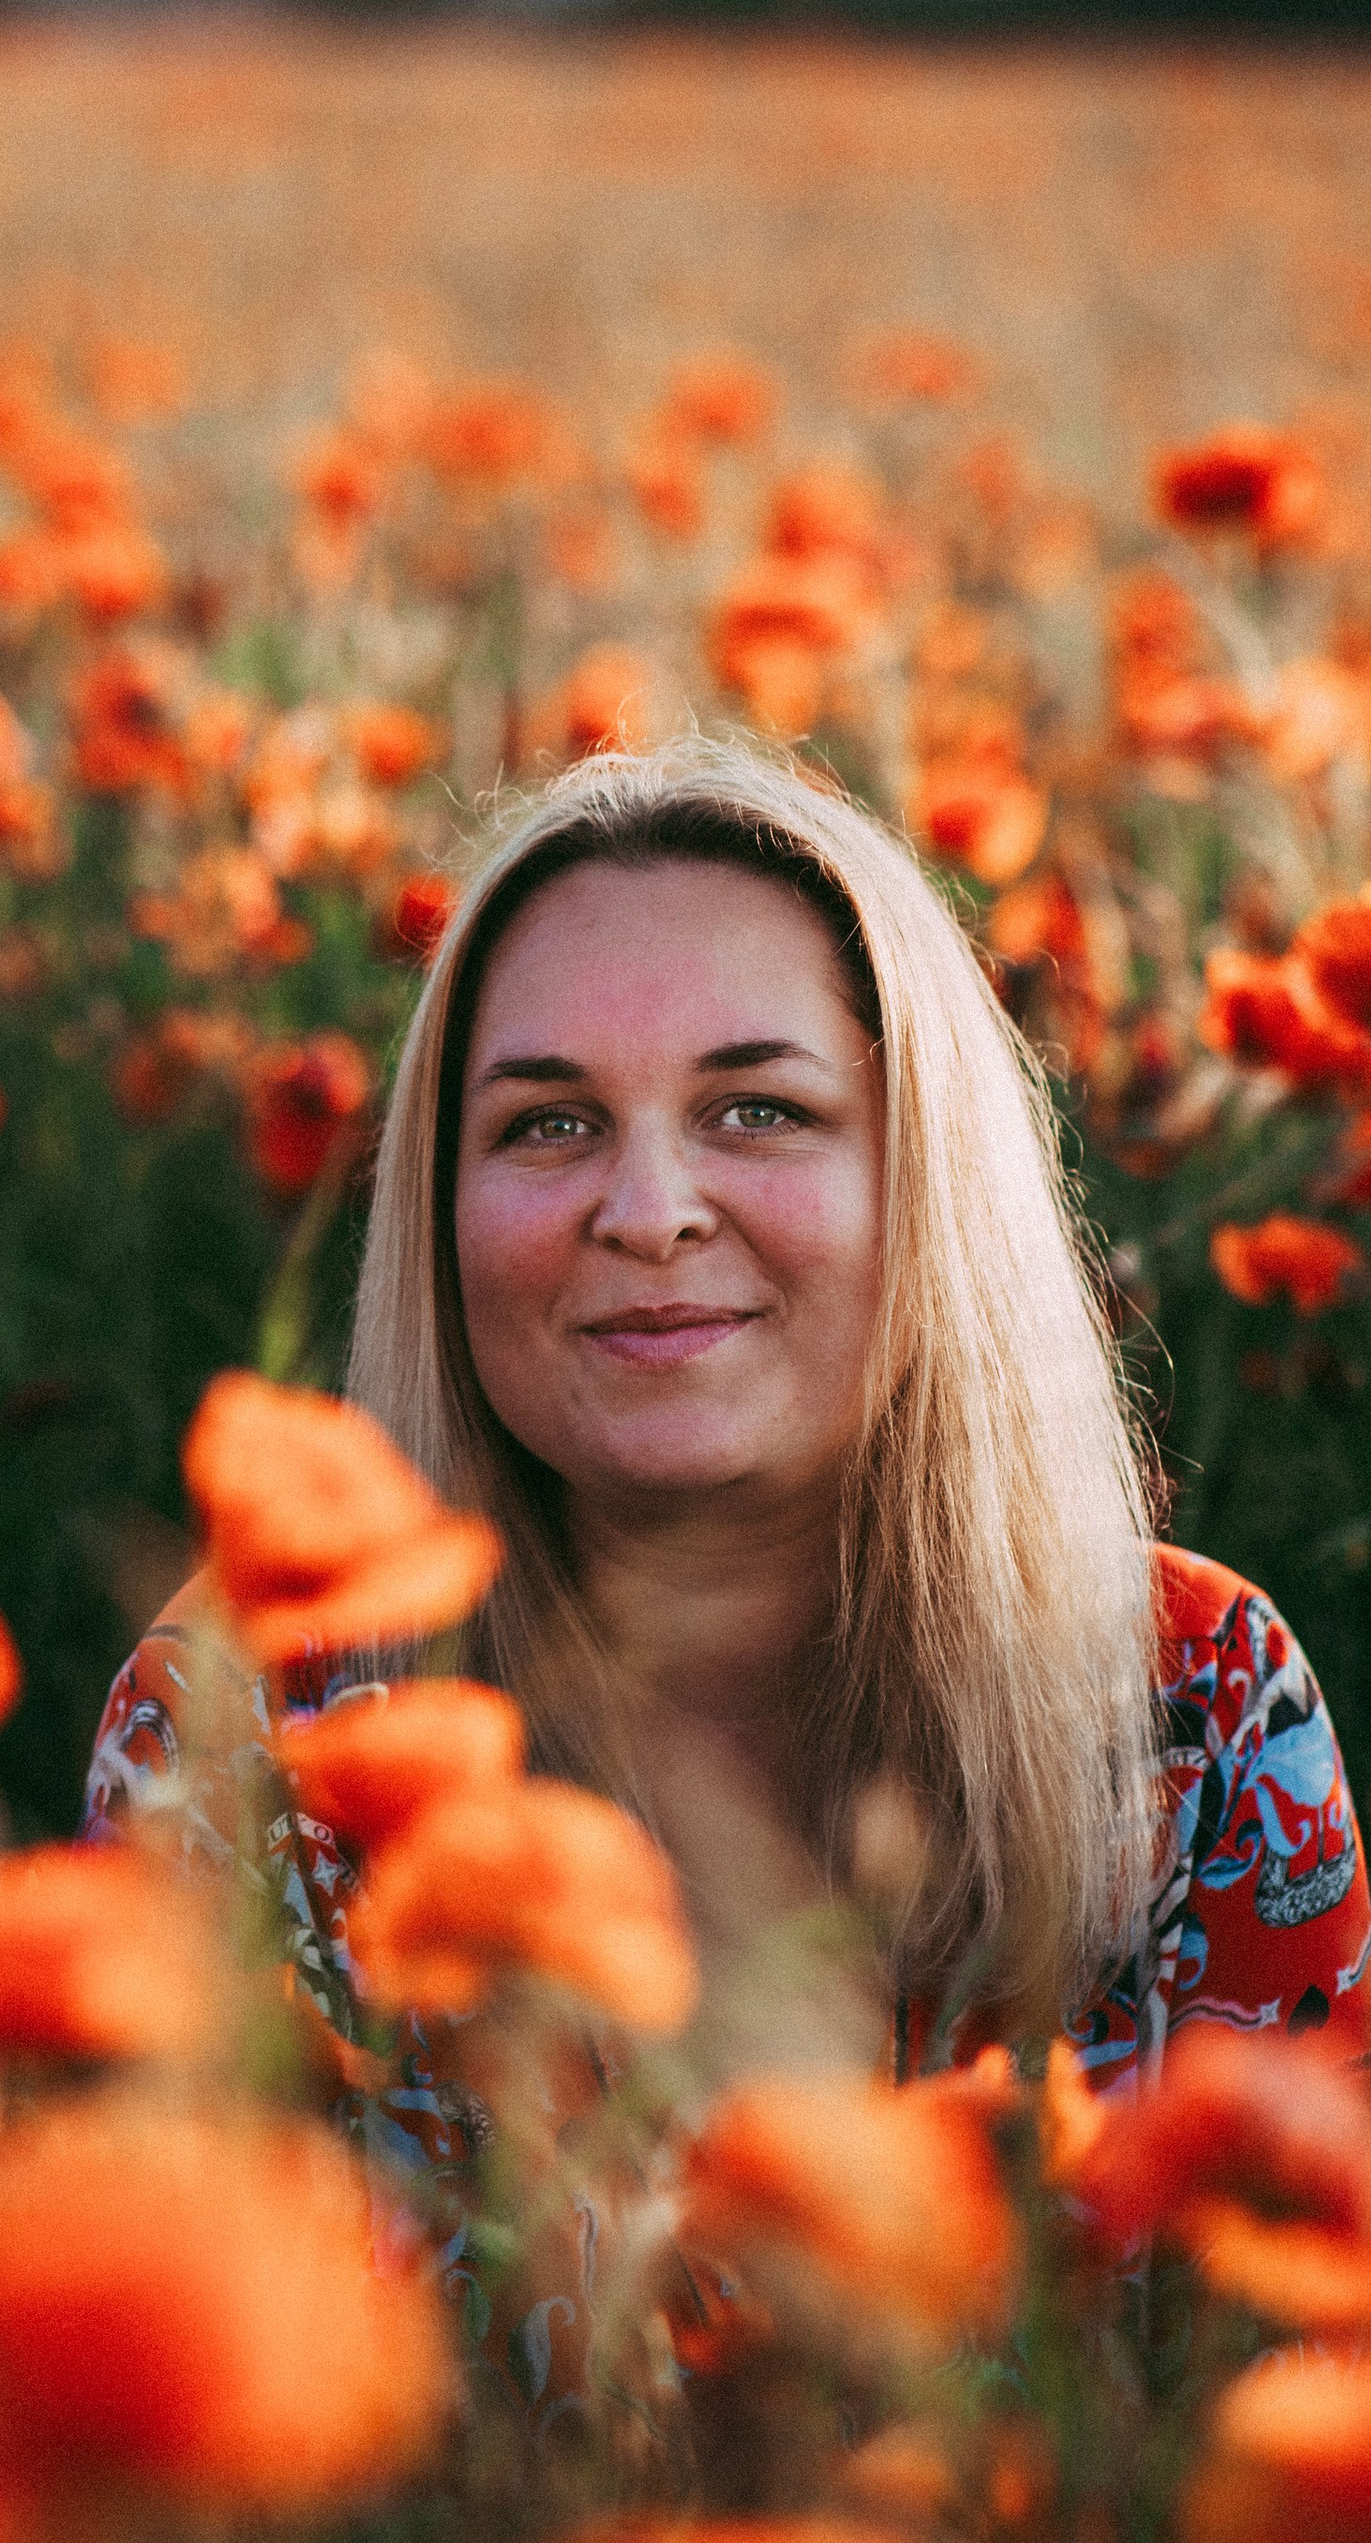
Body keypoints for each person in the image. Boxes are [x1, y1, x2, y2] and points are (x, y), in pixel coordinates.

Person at [85, 741, 1369, 2347]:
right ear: (438, 1212)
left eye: (757, 1109)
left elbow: (1296, 2375)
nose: (651, 1207)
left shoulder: (1195, 1710)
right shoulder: (255, 1727)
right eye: (547, 1125)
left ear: (929, 1180)